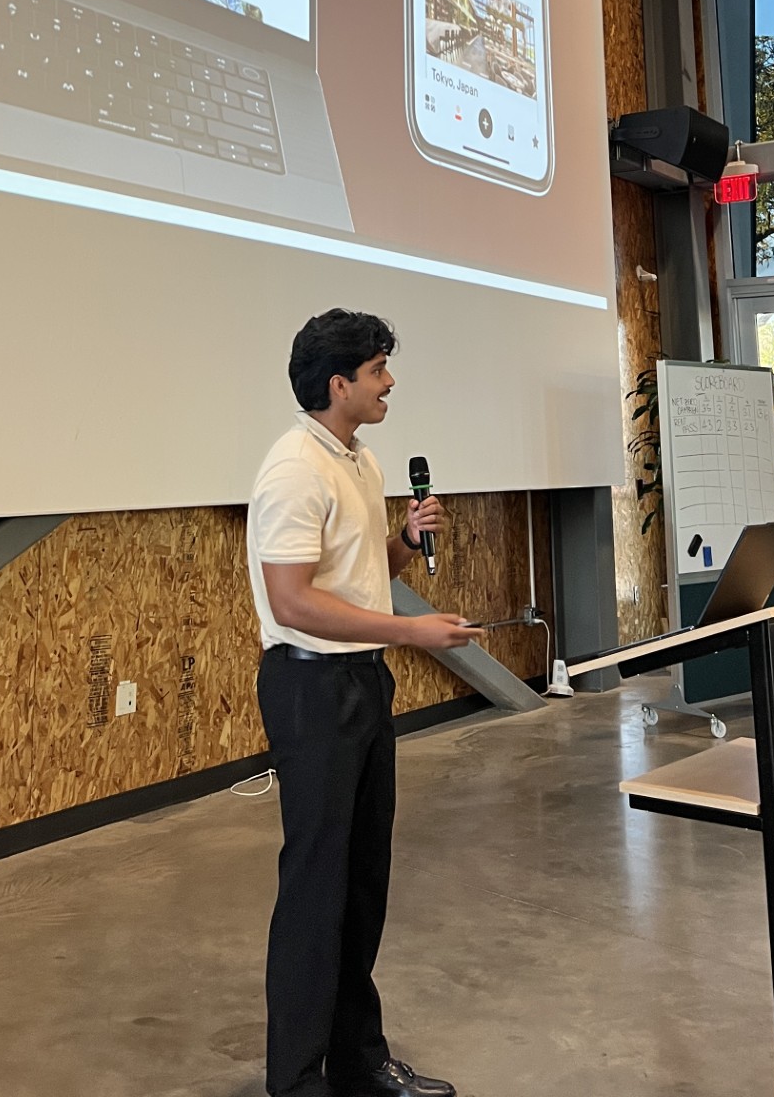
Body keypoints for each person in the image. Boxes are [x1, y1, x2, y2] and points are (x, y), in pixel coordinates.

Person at [247, 309, 482, 1097]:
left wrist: (402, 544)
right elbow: (291, 602)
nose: (390, 383)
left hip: (360, 680)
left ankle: (358, 1059)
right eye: (379, 369)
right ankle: (298, 1079)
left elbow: (347, 571)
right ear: (338, 383)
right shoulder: (293, 469)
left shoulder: (360, 461)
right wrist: (410, 629)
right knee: (316, 883)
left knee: (362, 878)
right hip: (311, 686)